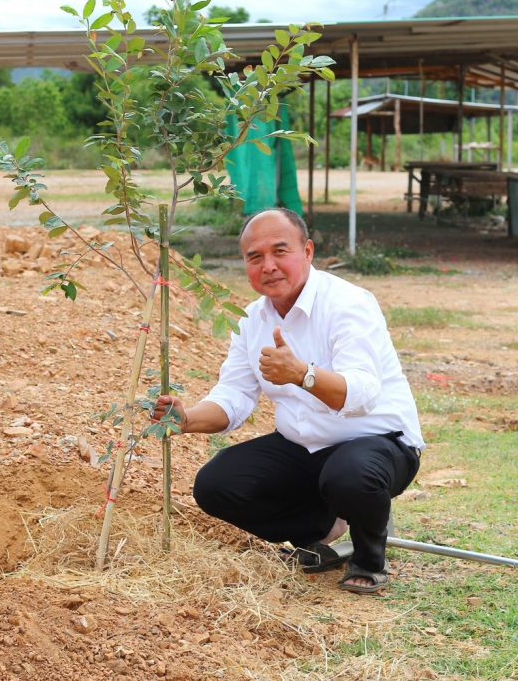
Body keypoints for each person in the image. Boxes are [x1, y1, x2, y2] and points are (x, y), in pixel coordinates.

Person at [152, 208, 424, 593]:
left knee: (350, 475)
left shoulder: (349, 304)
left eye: (281, 251)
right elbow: (235, 396)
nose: (269, 266)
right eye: (255, 257)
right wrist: (187, 419)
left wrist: (303, 375)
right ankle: (324, 529)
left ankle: (368, 557)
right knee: (216, 485)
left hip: (378, 442)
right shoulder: (251, 320)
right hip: (304, 447)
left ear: (308, 251)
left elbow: (362, 394)